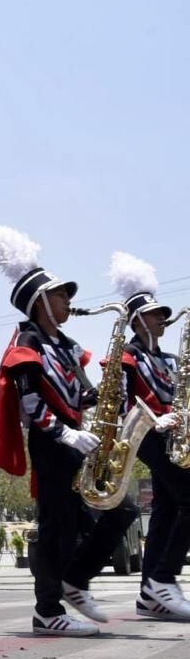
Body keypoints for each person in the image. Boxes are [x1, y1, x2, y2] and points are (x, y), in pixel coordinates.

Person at [0, 226, 140, 636]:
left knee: (120, 509)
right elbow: (30, 404)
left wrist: (110, 392)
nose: (69, 301)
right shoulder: (27, 341)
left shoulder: (68, 346)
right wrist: (66, 434)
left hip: (77, 438)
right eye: (60, 295)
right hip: (54, 443)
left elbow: (83, 397)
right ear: (38, 302)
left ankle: (74, 580)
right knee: (57, 526)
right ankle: (47, 610)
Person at [107, 252, 190, 619]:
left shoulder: (170, 359)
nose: (163, 319)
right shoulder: (127, 356)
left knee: (166, 510)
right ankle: (162, 578)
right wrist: (158, 419)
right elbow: (124, 402)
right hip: (147, 435)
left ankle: (147, 597)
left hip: (173, 439)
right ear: (139, 319)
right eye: (156, 314)